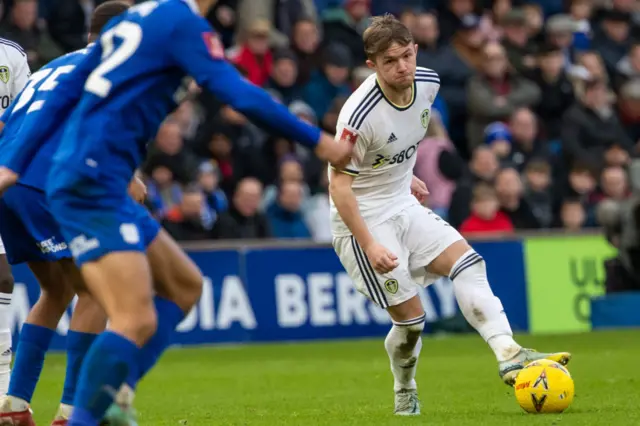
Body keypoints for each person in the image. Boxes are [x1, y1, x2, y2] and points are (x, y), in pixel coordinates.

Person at [0, 1, 352, 425]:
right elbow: (239, 93)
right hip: (87, 181)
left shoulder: (132, 24)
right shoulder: (177, 23)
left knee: (183, 285)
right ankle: (81, 414)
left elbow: (60, 97)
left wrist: (10, 166)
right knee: (125, 311)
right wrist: (320, 142)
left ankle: (98, 396)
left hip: (65, 176)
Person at [329, 14, 571, 416]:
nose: (402, 66)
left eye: (406, 55)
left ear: (416, 49)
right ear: (372, 65)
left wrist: (407, 178)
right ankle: (404, 388)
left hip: (402, 202)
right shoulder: (358, 115)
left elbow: (404, 142)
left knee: (469, 263)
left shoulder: (428, 83)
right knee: (412, 325)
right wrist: (369, 243)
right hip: (364, 217)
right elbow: (339, 187)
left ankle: (508, 352)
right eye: (390, 61)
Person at [0, 3, 137, 425]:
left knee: (56, 291)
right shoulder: (112, 70)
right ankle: (72, 412)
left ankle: (14, 406)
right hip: (45, 184)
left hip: (9, 184)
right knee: (95, 290)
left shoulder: (53, 66)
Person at [0, 33, 31, 395]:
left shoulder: (11, 55)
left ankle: (6, 400)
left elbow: (26, 116)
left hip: (5, 176)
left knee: (3, 278)